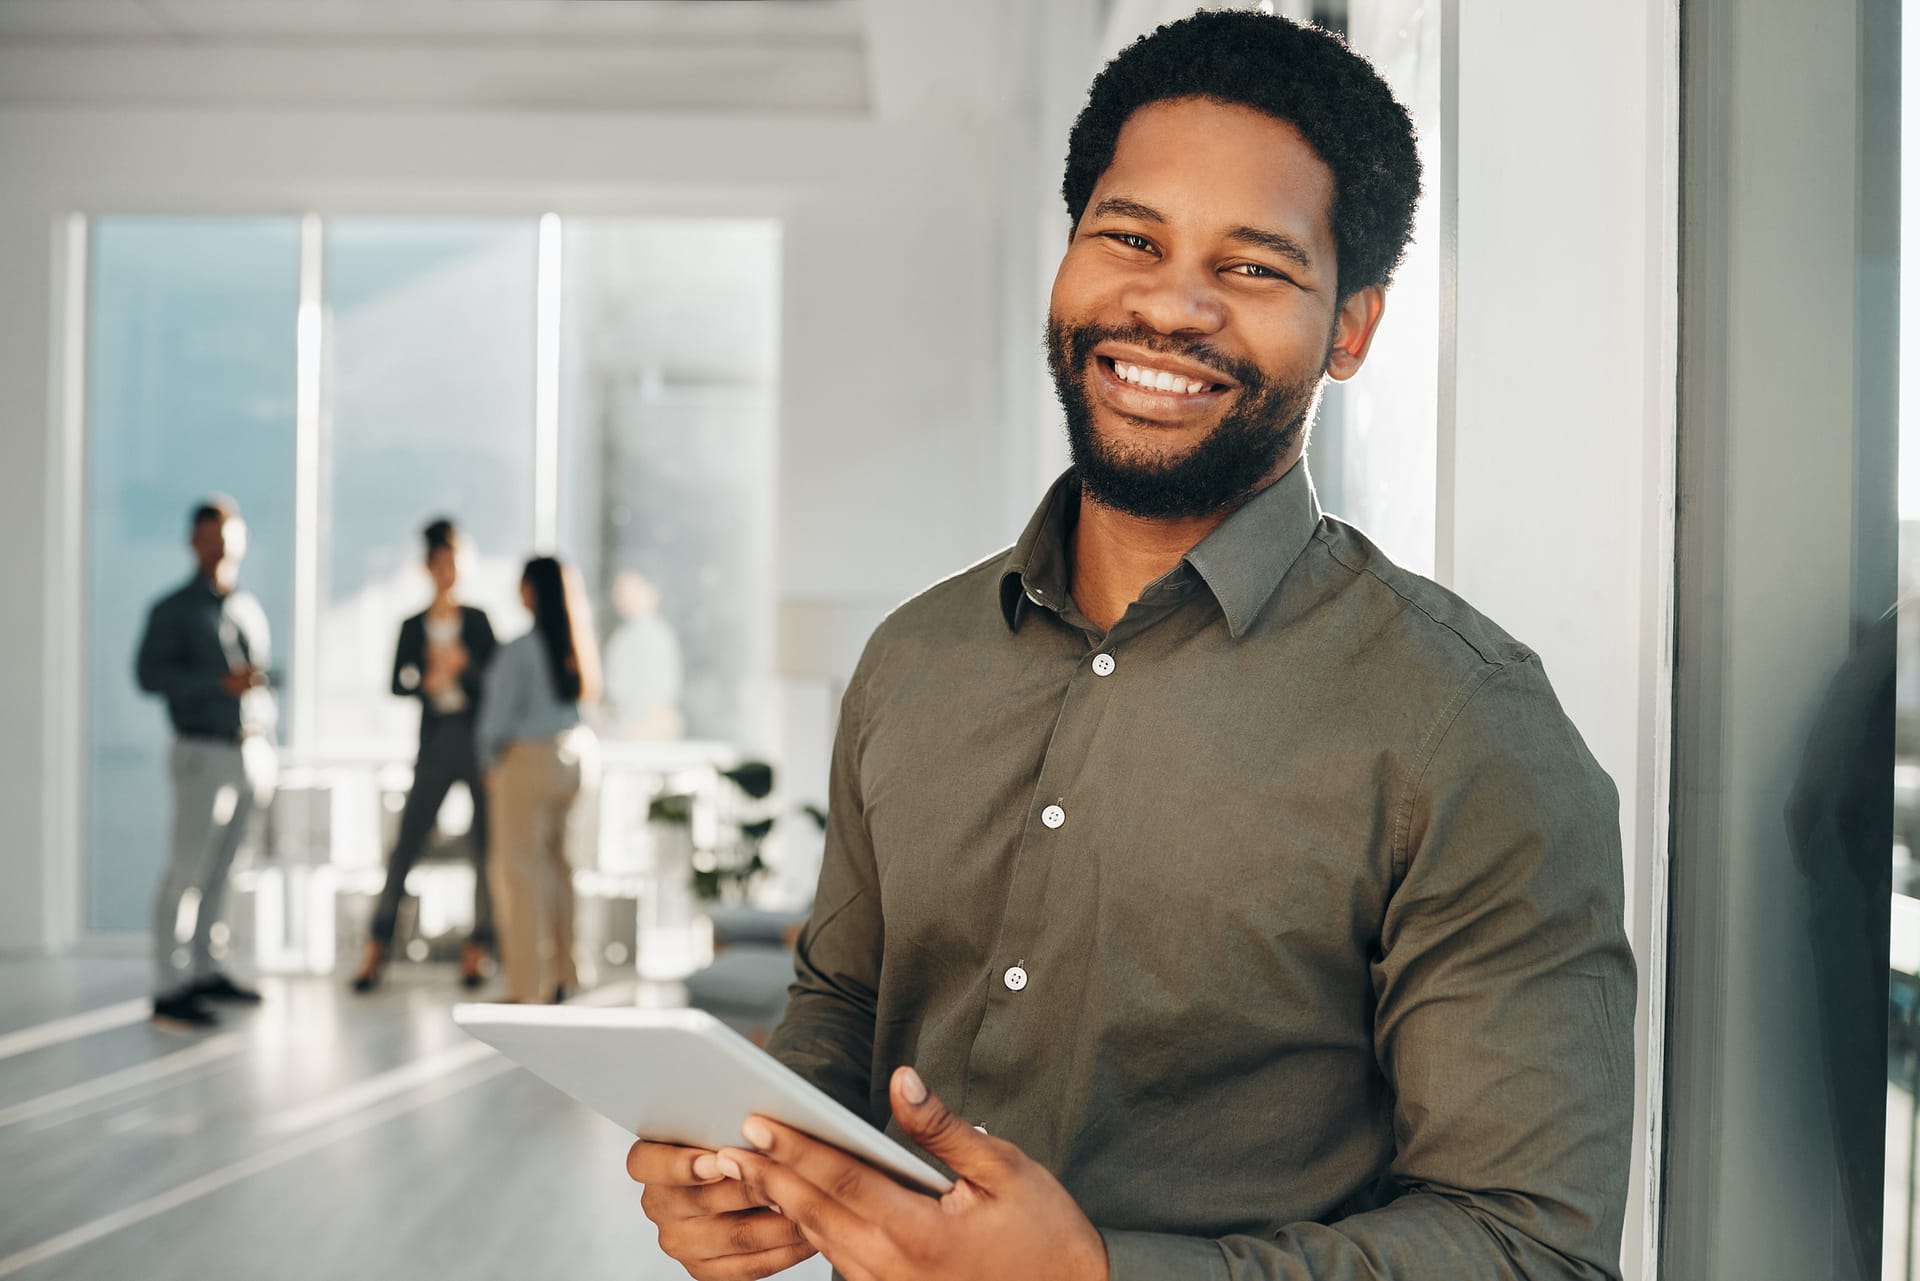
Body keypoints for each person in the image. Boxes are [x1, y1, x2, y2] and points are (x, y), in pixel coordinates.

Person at [627, 11, 1634, 1281]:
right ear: (1068, 257)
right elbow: (843, 1003)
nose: (1169, 304)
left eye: (1256, 267)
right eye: (1130, 237)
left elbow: (1531, 1245)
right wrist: (755, 1157)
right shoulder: (915, 659)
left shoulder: (1464, 725)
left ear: (1352, 328)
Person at [135, 497, 277, 1030]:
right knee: (186, 871)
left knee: (227, 870)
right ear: (193, 541)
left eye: (227, 535)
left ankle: (205, 968)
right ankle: (168, 986)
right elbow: (148, 676)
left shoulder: (244, 605)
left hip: (248, 748)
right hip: (202, 750)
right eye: (209, 536)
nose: (219, 545)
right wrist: (215, 684)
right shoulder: (172, 609)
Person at [353, 517, 499, 993]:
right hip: (435, 742)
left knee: (485, 846)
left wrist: (464, 669)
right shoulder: (412, 625)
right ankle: (378, 944)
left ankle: (479, 948)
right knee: (407, 842)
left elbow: (496, 685)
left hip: (474, 744)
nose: (446, 571)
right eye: (438, 563)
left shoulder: (477, 622)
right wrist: (427, 681)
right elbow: (398, 682)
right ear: (427, 566)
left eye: (453, 562)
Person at [477, 556, 602, 1005]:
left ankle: (525, 987)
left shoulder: (520, 650)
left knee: (519, 874)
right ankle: (567, 972)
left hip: (528, 762)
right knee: (560, 870)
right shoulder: (575, 645)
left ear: (531, 590)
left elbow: (495, 723)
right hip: (576, 759)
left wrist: (489, 761)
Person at [602, 569, 684, 741]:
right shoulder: (622, 637)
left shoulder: (659, 636)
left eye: (630, 590)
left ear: (650, 592)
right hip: (623, 727)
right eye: (620, 592)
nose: (623, 597)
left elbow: (662, 692)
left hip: (646, 728)